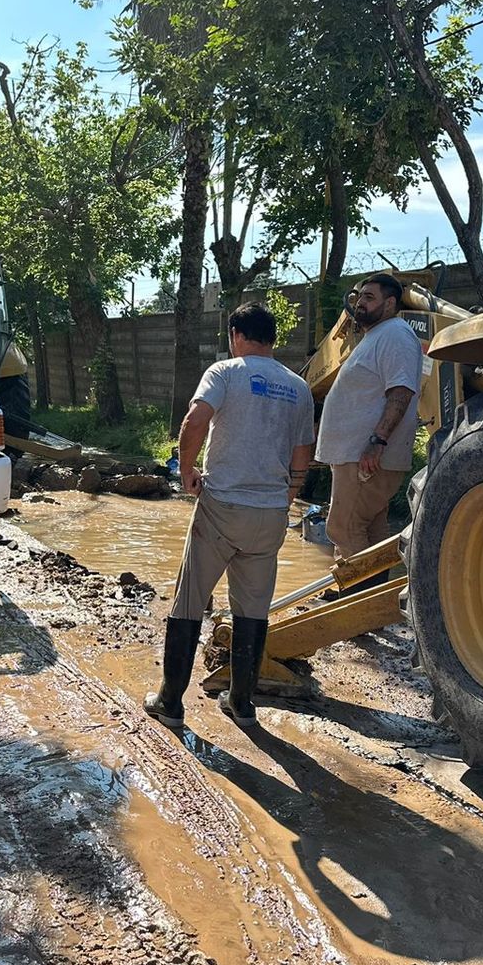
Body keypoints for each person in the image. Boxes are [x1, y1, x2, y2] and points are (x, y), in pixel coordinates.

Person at [144, 302, 315, 731]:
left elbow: (195, 420)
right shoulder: (298, 387)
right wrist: (288, 492)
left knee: (188, 602)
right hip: (270, 511)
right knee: (252, 610)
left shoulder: (225, 372)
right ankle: (241, 704)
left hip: (221, 506)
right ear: (272, 338)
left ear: (236, 335)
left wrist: (186, 469)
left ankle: (170, 702)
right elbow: (303, 453)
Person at [314, 273, 423, 566]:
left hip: (366, 457)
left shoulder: (395, 334)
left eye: (369, 297)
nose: (360, 302)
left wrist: (377, 441)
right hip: (361, 457)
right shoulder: (378, 336)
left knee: (344, 528)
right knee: (371, 531)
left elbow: (401, 392)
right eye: (360, 296)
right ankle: (374, 605)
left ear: (390, 304)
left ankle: (357, 605)